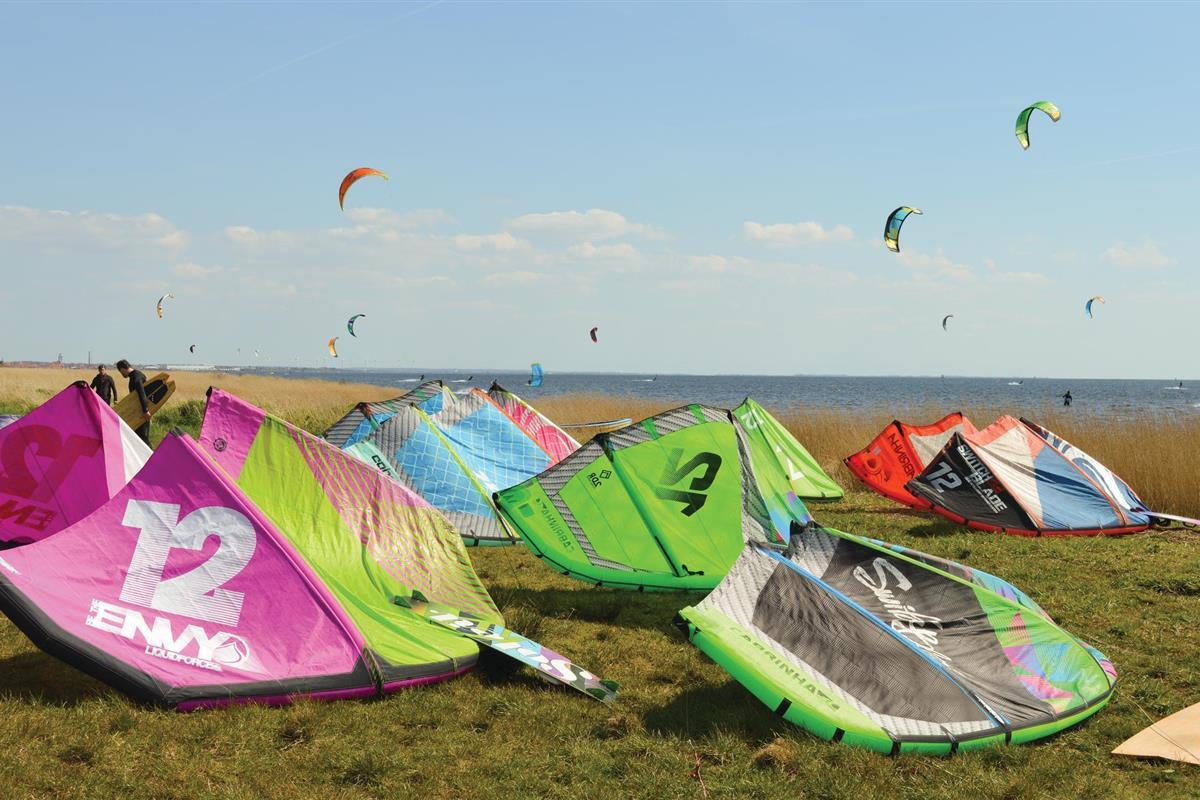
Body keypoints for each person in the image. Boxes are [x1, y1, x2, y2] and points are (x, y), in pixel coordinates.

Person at [116, 359, 152, 445]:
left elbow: (141, 393)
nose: (121, 374)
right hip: (139, 410)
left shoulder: (135, 377)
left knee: (142, 437)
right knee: (138, 436)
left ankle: (151, 453)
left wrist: (145, 410)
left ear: (122, 369)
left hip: (141, 411)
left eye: (120, 371)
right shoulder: (137, 374)